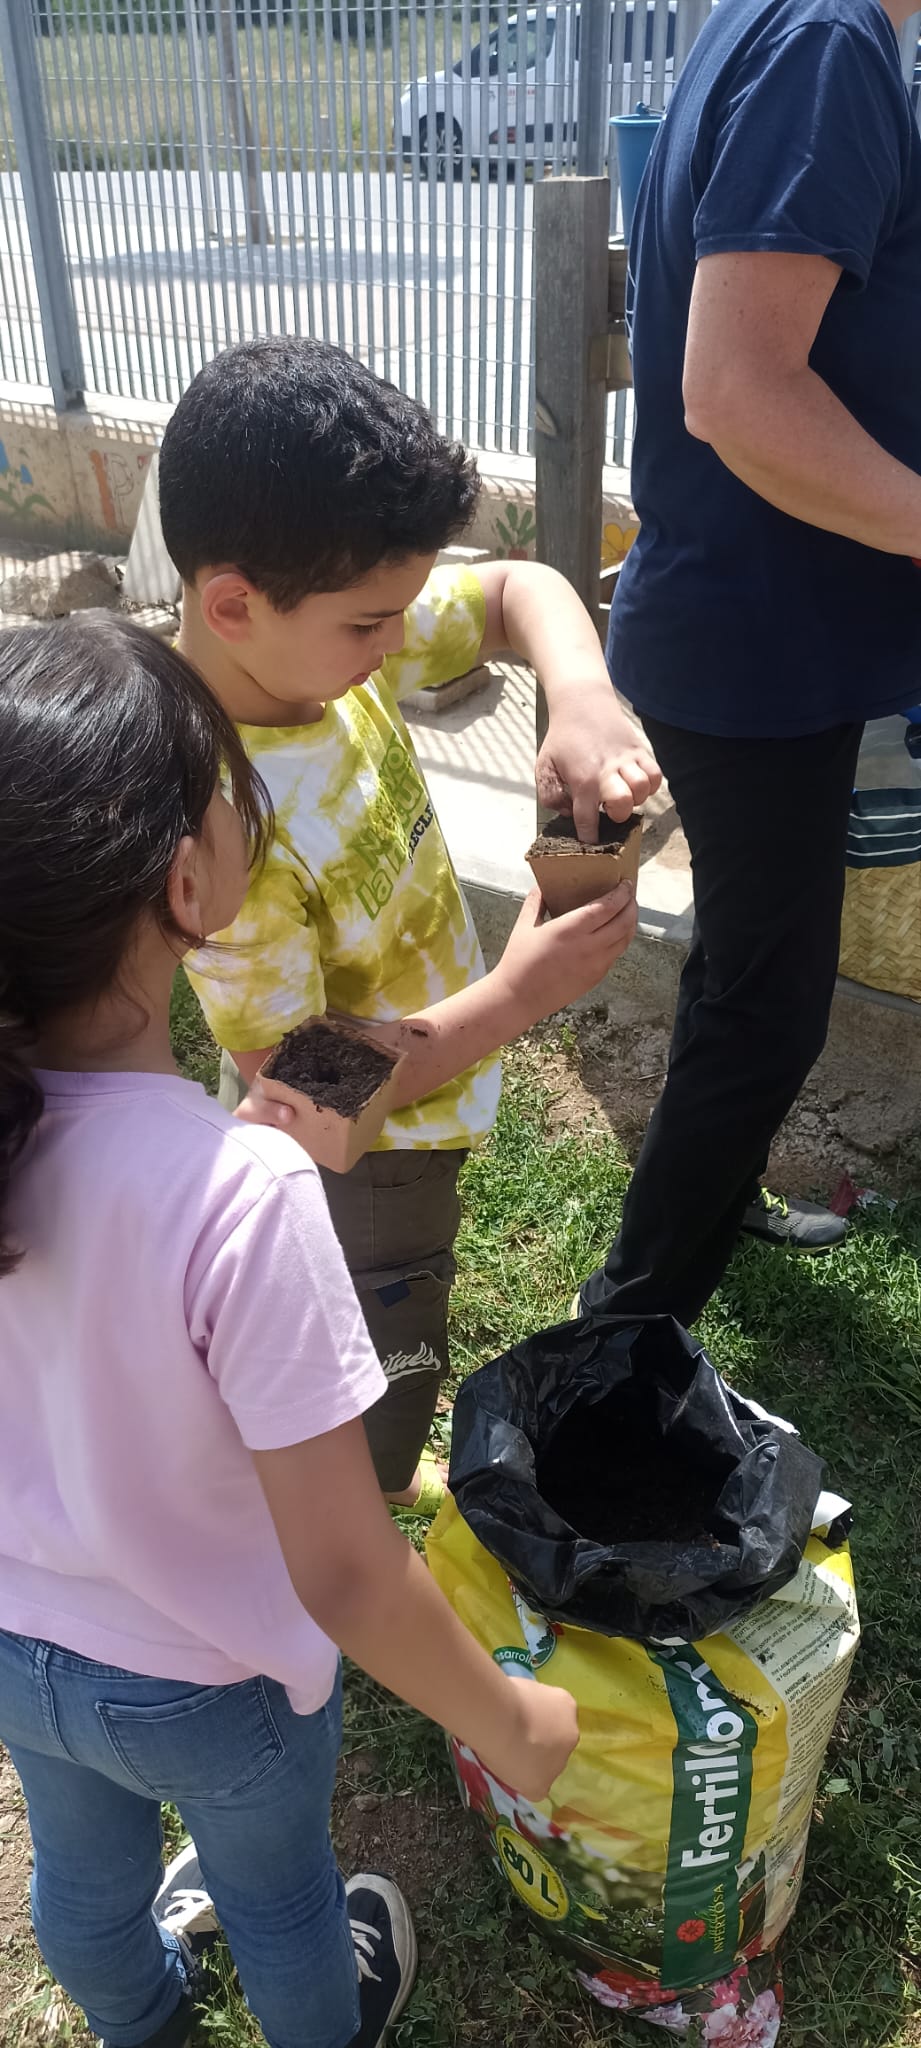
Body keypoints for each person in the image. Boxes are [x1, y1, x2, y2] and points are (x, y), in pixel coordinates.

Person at [0, 616, 580, 2048]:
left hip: (22, 1650)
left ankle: (141, 2024)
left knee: (81, 1880)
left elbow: (277, 1095)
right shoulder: (239, 1196)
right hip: (214, 1681)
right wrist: (510, 1724)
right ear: (187, 881)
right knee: (281, 1903)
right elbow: (345, 1572)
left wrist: (501, 993)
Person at [157, 336, 658, 1514]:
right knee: (376, 1336)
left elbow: (519, 590)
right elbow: (302, 1096)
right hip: (363, 1168)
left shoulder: (312, 643)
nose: (400, 644)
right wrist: (521, 994)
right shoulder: (220, 822)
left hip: (419, 1092)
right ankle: (358, 1502)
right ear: (233, 604)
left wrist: (583, 695)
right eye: (371, 624)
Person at [579, 0, 921, 1329]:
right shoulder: (826, 41)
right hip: (758, 646)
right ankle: (627, 1333)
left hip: (751, 630)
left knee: (738, 972)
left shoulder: (783, 21)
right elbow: (736, 392)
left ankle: (703, 1206)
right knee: (768, 1013)